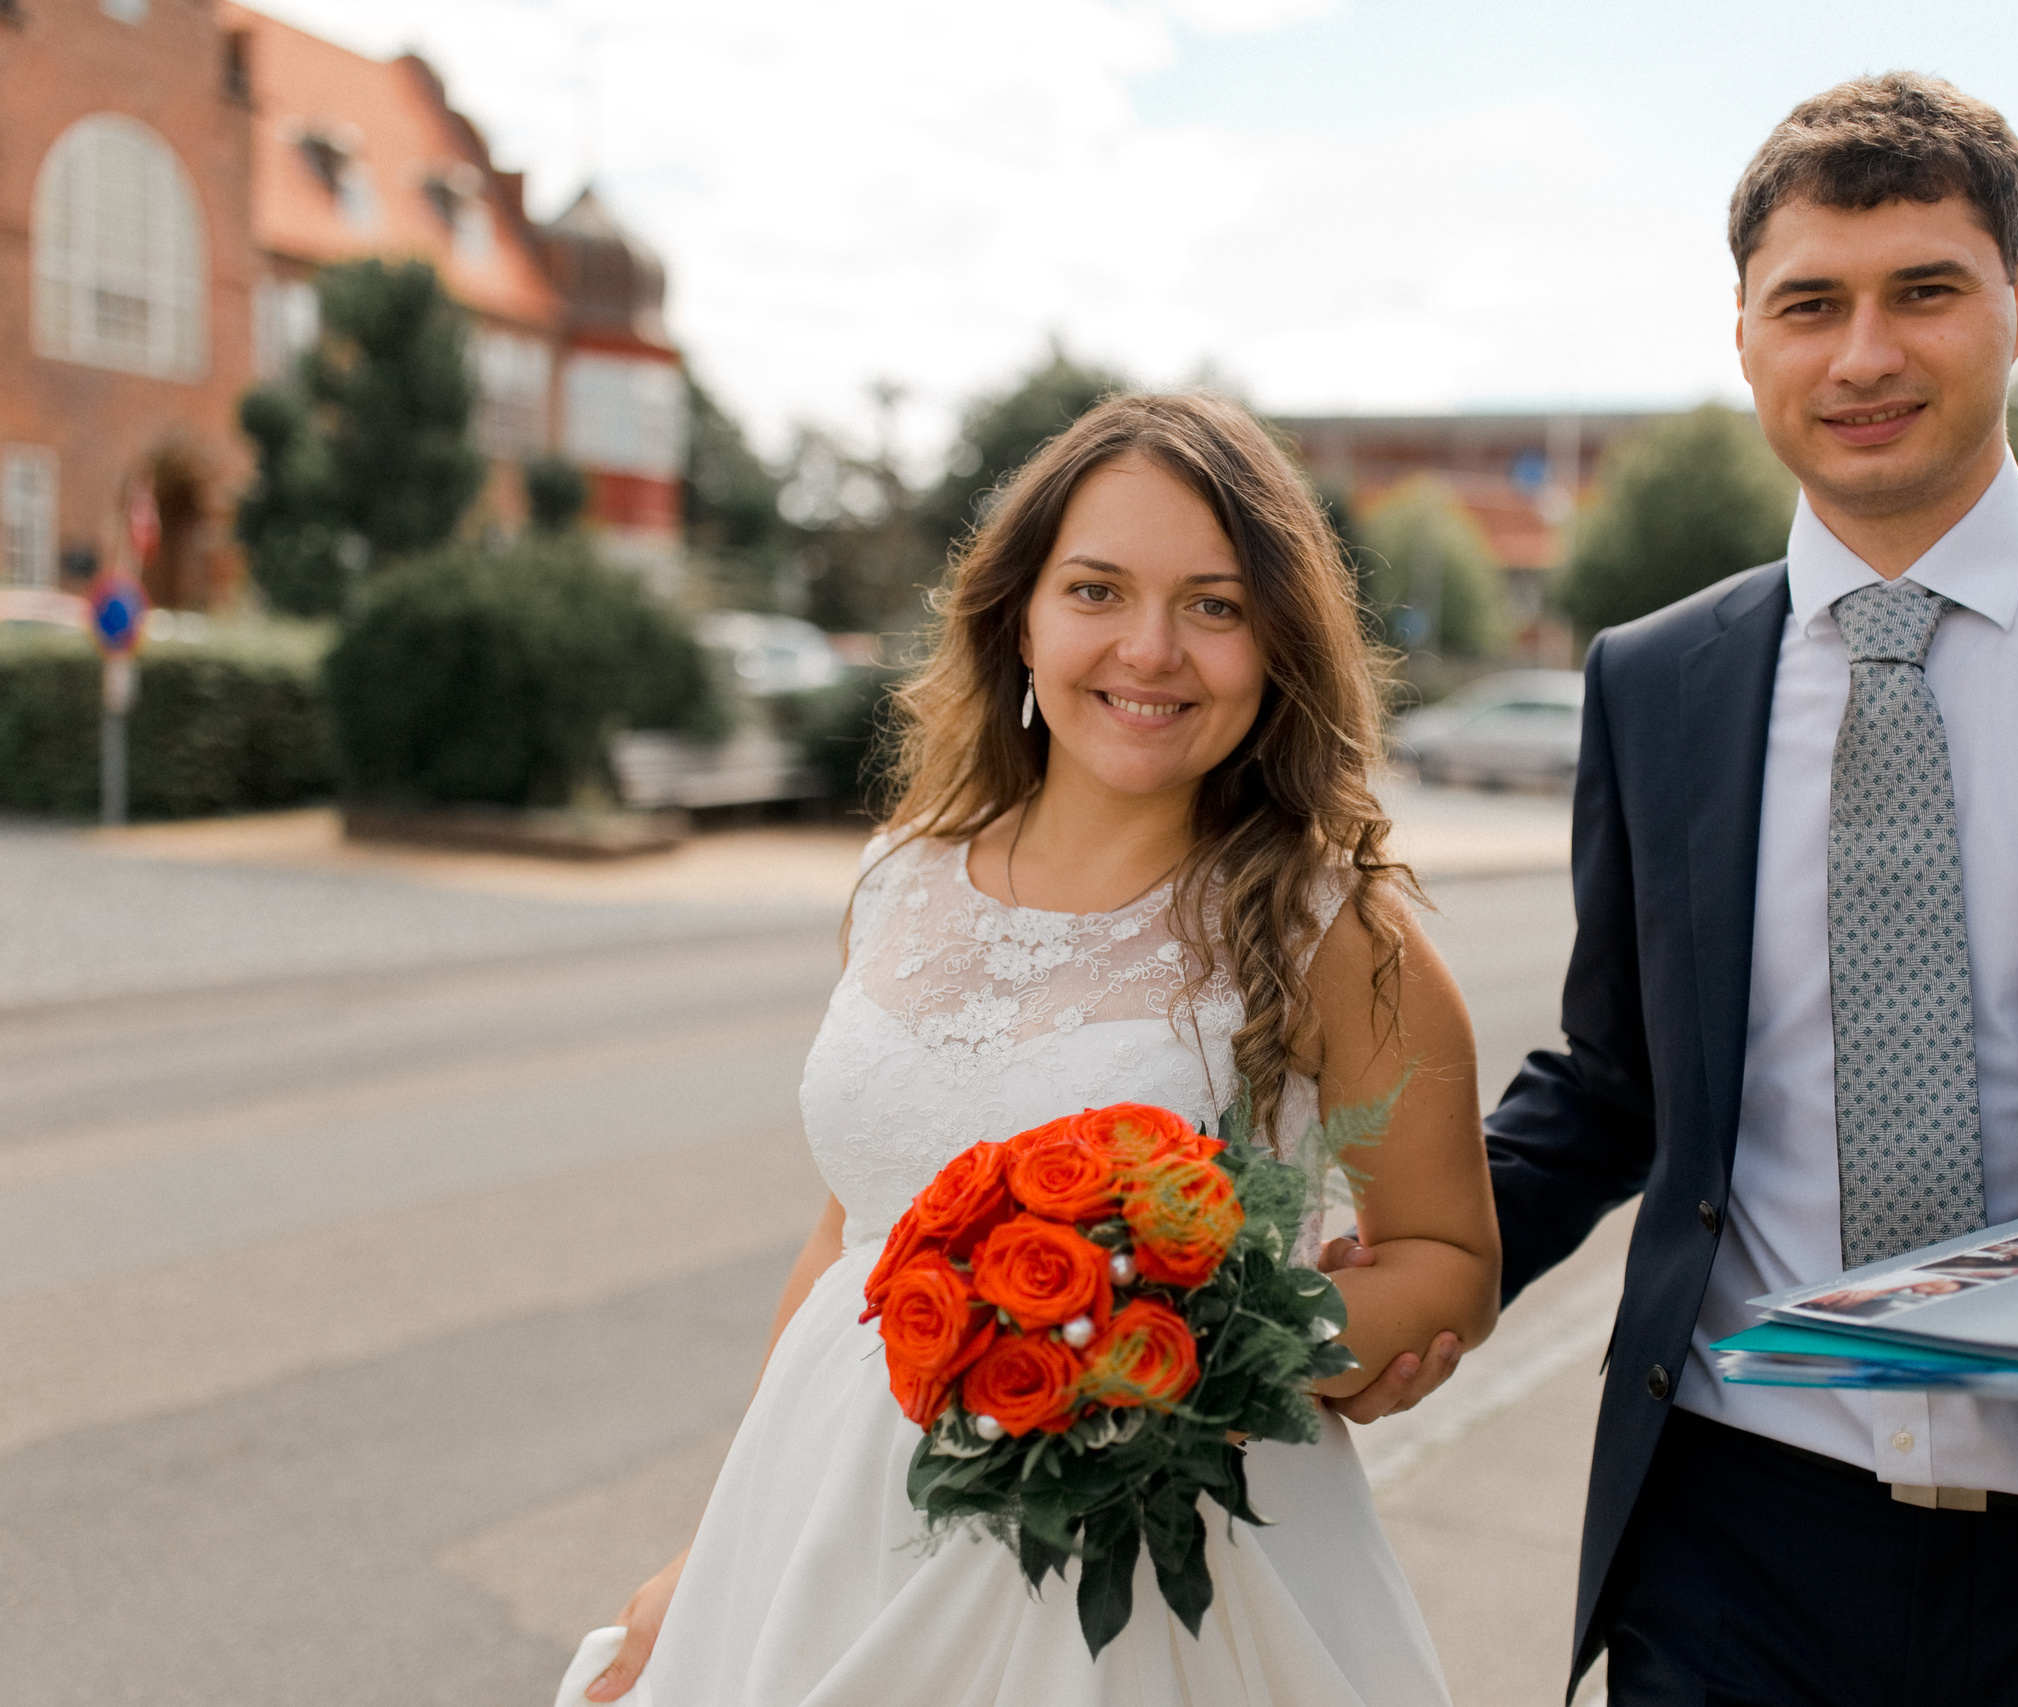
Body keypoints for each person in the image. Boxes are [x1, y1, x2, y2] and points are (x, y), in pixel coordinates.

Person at [1328, 73, 2018, 1707]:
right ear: (1748, 335)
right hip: (1732, 1529)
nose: (1863, 356)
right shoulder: (1655, 680)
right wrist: (1410, 1257)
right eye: (1810, 305)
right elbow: (1619, 1079)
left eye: (1925, 291)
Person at [575, 393, 1501, 1707]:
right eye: (1097, 590)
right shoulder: (901, 875)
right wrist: (715, 1548)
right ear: (1020, 615)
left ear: (1280, 643)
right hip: (824, 1536)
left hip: (1154, 1573)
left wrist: (1211, 1350)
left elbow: (1448, 1265)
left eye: (1216, 605)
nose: (1151, 648)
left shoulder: (1334, 935)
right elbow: (849, 1231)